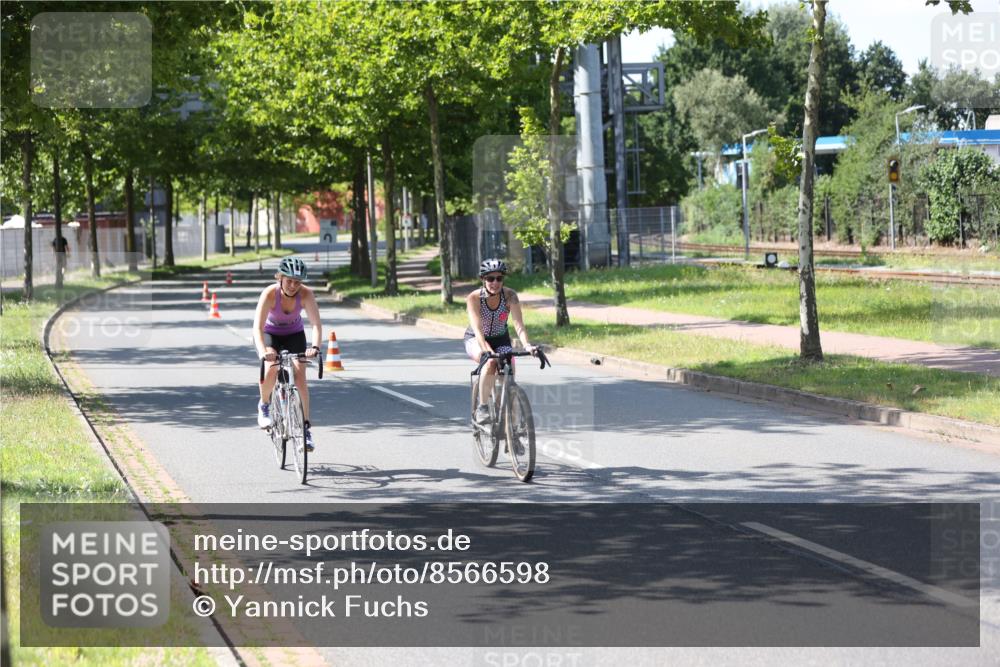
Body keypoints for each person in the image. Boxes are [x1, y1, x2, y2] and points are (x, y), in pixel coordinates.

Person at [253, 257, 322, 450]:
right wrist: (263, 352)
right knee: (271, 368)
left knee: (300, 377)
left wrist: (315, 347)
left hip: (294, 334)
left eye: (297, 282)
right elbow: (257, 328)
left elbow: (316, 325)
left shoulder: (306, 294)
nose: (293, 286)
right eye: (289, 281)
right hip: (270, 334)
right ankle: (264, 405)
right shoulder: (269, 294)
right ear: (280, 278)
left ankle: (305, 429)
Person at [464, 258, 537, 425]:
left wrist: (527, 345)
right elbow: (478, 330)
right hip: (476, 338)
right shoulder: (474, 298)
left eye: (499, 278)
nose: (495, 283)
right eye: (490, 279)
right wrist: (488, 352)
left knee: (508, 376)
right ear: (483, 279)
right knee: (490, 363)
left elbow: (519, 325)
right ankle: (483, 407)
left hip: (501, 339)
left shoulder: (510, 296)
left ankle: (512, 427)